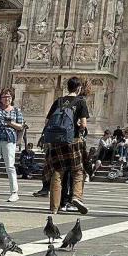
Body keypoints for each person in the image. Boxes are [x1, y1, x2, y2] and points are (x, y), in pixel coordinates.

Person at [42, 77, 90, 216]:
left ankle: (54, 207)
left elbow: (47, 121)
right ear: (79, 88)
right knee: (78, 171)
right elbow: (83, 124)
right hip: (73, 140)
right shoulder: (80, 102)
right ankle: (76, 197)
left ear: (67, 87)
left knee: (57, 172)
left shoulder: (59, 101)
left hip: (57, 141)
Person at [0, 88, 25, 202]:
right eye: (4, 97)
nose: (7, 99)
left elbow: (21, 126)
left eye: (9, 97)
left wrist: (10, 123)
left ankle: (14, 192)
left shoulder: (16, 110)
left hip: (8, 139)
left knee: (10, 166)